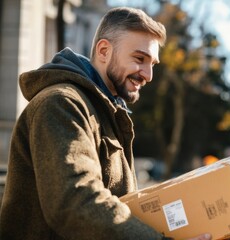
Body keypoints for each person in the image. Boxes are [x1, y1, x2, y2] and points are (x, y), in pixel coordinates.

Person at [0, 7, 210, 240]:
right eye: (139, 59)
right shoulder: (61, 104)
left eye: (153, 64)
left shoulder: (108, 113)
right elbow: (76, 202)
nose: (148, 75)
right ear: (103, 51)